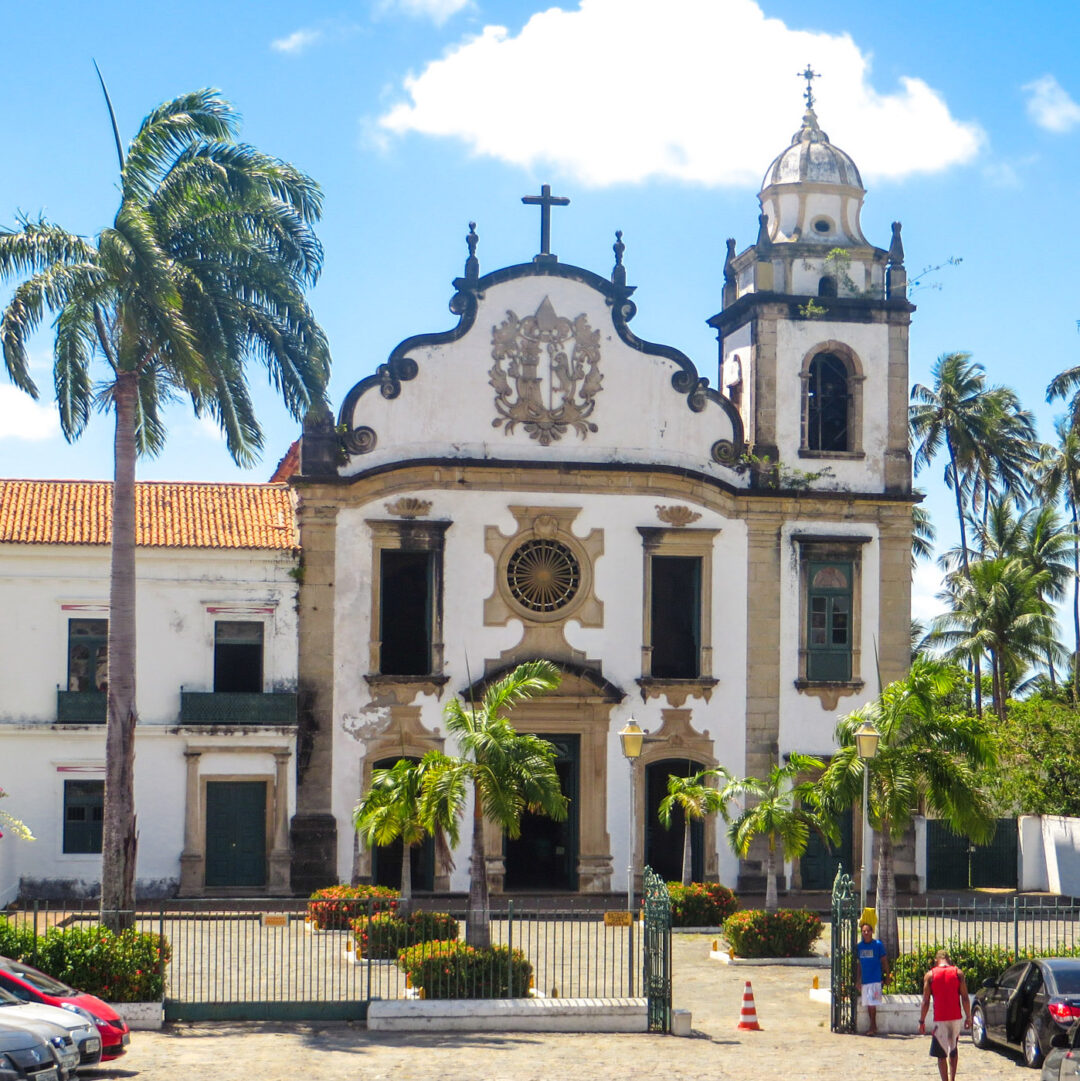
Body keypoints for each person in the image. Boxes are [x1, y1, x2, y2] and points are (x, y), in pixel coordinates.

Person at [919, 949, 972, 1081]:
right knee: (953, 1048)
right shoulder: (958, 973)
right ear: (948, 959)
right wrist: (969, 1017)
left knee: (941, 1053)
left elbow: (925, 1001)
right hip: (955, 1016)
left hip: (940, 1018)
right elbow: (965, 998)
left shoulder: (930, 975)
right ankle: (952, 1079)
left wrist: (922, 1021)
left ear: (937, 960)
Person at [854, 921, 890, 1035]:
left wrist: (887, 975)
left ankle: (872, 1026)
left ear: (872, 932)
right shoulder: (860, 946)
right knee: (868, 1004)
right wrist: (858, 979)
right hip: (865, 979)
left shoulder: (878, 945)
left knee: (872, 1004)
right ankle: (873, 1026)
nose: (865, 933)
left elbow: (884, 961)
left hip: (875, 978)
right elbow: (859, 964)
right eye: (863, 931)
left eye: (867, 931)